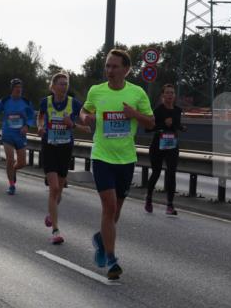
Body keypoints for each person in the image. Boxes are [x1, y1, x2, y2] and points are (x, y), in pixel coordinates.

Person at [78, 48, 154, 279]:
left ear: (126, 69)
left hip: (126, 159)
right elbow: (84, 110)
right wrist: (85, 118)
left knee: (116, 212)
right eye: (107, 66)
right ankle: (111, 260)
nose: (109, 70)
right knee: (109, 207)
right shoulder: (96, 91)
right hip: (102, 156)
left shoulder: (137, 93)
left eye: (114, 66)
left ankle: (101, 239)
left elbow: (151, 123)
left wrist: (134, 115)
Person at [36, 72, 83, 245]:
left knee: (59, 191)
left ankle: (51, 212)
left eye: (66, 84)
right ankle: (55, 231)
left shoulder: (73, 103)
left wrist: (74, 125)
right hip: (49, 147)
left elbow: (87, 125)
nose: (64, 86)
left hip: (65, 149)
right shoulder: (45, 102)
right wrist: (40, 127)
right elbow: (40, 118)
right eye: (61, 84)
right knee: (54, 188)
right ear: (53, 86)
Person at [144, 83, 183, 216]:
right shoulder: (157, 111)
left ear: (175, 96)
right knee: (156, 172)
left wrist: (181, 127)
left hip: (172, 145)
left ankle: (170, 205)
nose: (170, 95)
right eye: (167, 93)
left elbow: (177, 125)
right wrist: (162, 125)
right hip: (158, 146)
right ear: (162, 96)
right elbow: (148, 128)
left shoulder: (178, 110)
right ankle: (149, 198)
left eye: (172, 93)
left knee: (172, 173)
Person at [0, 78, 35, 194]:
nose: (19, 90)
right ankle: (11, 185)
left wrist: (27, 126)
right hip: (8, 134)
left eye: (20, 88)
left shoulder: (26, 101)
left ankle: (13, 169)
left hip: (20, 135)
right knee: (10, 159)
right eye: (16, 88)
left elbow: (31, 117)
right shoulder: (4, 101)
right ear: (12, 89)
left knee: (22, 163)